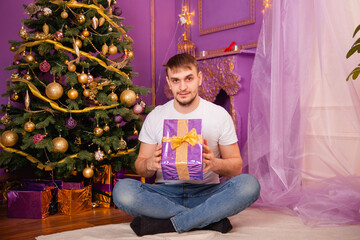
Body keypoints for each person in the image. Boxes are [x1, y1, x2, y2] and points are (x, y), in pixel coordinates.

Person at [112, 53, 260, 236]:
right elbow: (141, 166)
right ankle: (206, 219)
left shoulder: (219, 115)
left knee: (249, 185)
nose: (182, 87)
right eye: (176, 80)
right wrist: (149, 164)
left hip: (207, 192)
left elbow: (236, 166)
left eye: (188, 79)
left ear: (199, 78)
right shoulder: (156, 116)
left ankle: (169, 223)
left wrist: (215, 164)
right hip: (164, 194)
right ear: (168, 82)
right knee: (122, 191)